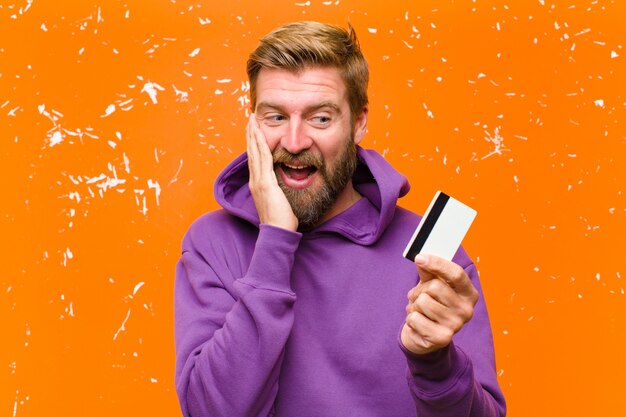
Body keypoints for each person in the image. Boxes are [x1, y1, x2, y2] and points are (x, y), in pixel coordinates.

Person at [174, 21, 506, 417]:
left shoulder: (431, 254)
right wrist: (275, 239)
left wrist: (436, 363)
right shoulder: (212, 244)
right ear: (253, 122)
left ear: (359, 121)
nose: (294, 142)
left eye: (321, 118)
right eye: (275, 117)